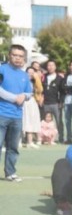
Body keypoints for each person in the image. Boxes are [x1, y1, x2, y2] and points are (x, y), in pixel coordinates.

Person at [0, 44, 32, 182]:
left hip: (17, 116)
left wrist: (24, 96)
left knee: (13, 147)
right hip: (2, 114)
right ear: (9, 55)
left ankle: (10, 172)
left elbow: (29, 93)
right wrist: (15, 98)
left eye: (20, 56)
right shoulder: (2, 69)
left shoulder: (24, 75)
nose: (18, 58)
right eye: (15, 55)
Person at [42, 60, 65, 143]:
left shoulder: (60, 78)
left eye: (52, 65)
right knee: (44, 122)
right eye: (49, 65)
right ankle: (44, 138)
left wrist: (61, 102)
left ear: (55, 67)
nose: (50, 67)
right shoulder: (43, 77)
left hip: (56, 103)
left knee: (59, 121)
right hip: (45, 103)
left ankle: (61, 138)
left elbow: (62, 91)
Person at [22, 67, 42, 149]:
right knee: (24, 120)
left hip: (32, 102)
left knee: (32, 120)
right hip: (24, 102)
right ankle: (21, 141)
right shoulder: (22, 81)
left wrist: (37, 78)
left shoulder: (35, 82)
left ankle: (30, 141)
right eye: (28, 72)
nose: (30, 74)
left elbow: (40, 89)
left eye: (32, 72)